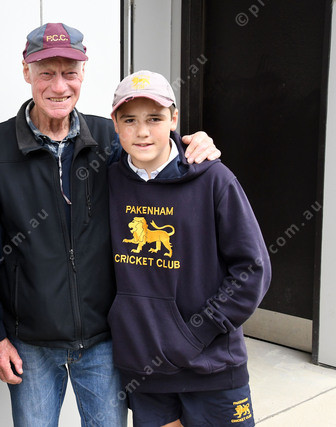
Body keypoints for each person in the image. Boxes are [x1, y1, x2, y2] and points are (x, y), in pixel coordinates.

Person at [0, 23, 220, 426]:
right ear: (26, 71)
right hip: (30, 342)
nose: (59, 86)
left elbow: (158, 158)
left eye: (69, 72)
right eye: (46, 73)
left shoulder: (111, 138)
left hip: (105, 338)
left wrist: (192, 143)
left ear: (83, 73)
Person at [107, 70, 271, 427]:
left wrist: (197, 332)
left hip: (212, 368)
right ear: (114, 124)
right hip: (145, 370)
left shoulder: (214, 179)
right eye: (130, 120)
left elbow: (252, 269)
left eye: (155, 118)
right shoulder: (108, 180)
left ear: (174, 119)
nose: (143, 131)